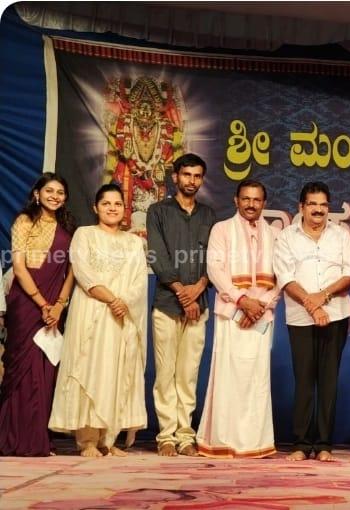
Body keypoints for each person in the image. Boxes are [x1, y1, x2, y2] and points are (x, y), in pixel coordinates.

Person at [49, 183, 147, 457]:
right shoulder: (85, 235)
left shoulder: (134, 242)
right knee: (91, 369)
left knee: (116, 372)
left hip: (122, 316)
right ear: (96, 207)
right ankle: (88, 441)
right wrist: (112, 300)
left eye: (117, 204)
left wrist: (123, 302)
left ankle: (108, 439)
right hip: (92, 312)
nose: (112, 208)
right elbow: (83, 272)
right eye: (106, 204)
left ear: (124, 209)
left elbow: (139, 280)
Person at [273, 181, 350, 462]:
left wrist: (323, 296)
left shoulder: (341, 235)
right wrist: (312, 304)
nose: (318, 210)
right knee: (305, 381)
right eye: (312, 204)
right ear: (301, 207)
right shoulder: (286, 237)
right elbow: (285, 278)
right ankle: (301, 443)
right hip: (300, 318)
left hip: (337, 315)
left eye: (323, 205)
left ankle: (323, 445)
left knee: (329, 382)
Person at [197, 180, 280, 458]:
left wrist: (260, 306)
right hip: (231, 313)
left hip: (262, 316)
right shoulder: (222, 229)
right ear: (236, 200)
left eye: (256, 200)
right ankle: (224, 441)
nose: (251, 204)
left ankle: (255, 443)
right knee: (228, 378)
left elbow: (282, 276)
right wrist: (243, 302)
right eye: (246, 198)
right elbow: (215, 269)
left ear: (264, 203)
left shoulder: (275, 234)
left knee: (257, 380)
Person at [0, 173, 76, 457]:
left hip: (55, 304)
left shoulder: (68, 226)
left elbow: (72, 271)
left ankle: (38, 438)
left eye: (60, 192)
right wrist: (43, 303)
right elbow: (19, 267)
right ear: (37, 194)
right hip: (27, 302)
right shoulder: (24, 221)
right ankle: (12, 437)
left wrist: (59, 305)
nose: (55, 196)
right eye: (49, 191)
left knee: (46, 369)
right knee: (23, 368)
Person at [147, 153, 216, 457]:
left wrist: (198, 289)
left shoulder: (209, 215)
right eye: (186, 174)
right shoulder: (158, 212)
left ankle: (185, 435)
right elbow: (157, 255)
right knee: (165, 373)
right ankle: (165, 435)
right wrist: (182, 292)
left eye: (197, 176)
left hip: (199, 305)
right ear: (175, 177)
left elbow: (214, 259)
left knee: (188, 374)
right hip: (166, 303)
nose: (192, 181)